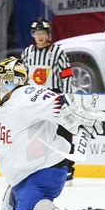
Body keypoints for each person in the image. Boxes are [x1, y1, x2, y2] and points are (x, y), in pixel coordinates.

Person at [0, 57, 105, 210]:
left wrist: (78, 113)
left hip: (43, 171)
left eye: (4, 79)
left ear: (17, 81)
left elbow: (62, 102)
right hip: (20, 177)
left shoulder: (26, 95)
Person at [20, 18, 76, 185]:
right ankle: (35, 167)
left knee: (62, 133)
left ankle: (67, 169)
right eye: (37, 33)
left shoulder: (57, 52)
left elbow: (66, 74)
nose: (40, 36)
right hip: (34, 99)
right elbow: (22, 76)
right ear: (33, 35)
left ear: (48, 34)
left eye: (43, 33)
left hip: (54, 97)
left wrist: (66, 97)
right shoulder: (27, 52)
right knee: (35, 134)